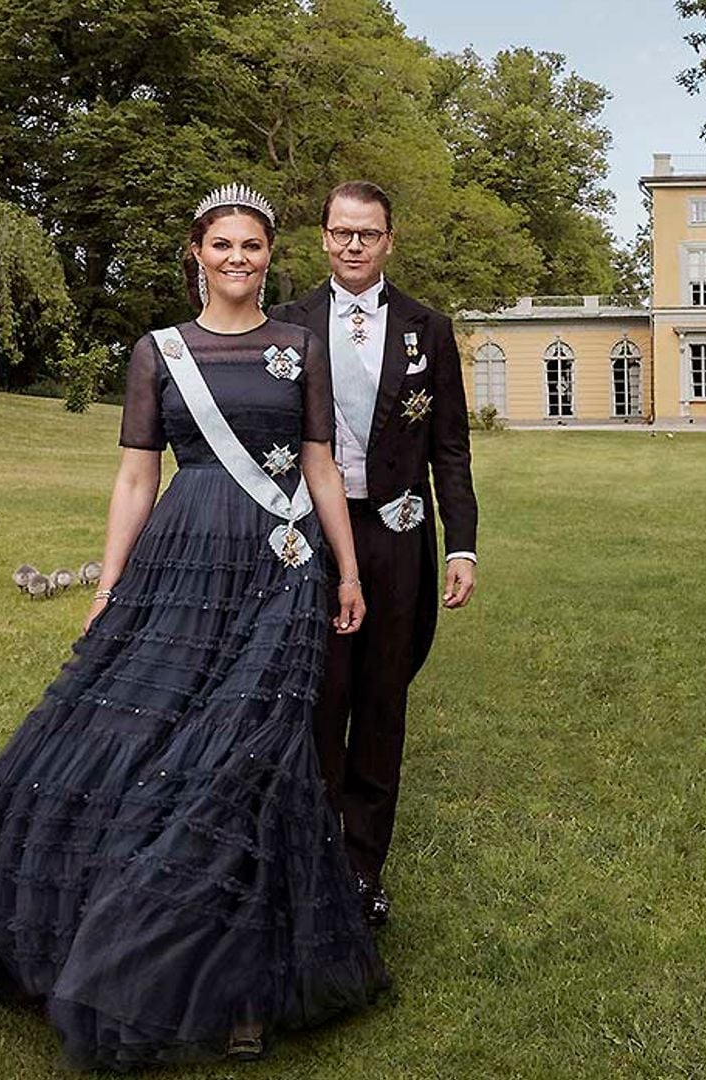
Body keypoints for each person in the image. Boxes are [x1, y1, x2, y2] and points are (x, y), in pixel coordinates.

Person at [0, 183, 387, 1069]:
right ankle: (103, 933)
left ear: (270, 257)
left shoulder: (300, 348)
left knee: (252, 755)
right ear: (196, 252)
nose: (237, 260)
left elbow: (320, 465)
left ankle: (241, 985)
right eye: (222, 245)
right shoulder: (158, 353)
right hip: (180, 563)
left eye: (253, 247)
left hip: (279, 568)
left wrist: (345, 569)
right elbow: (133, 479)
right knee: (139, 737)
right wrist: (111, 581)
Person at [271, 181, 478, 928]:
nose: (353, 245)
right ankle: (315, 855)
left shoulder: (431, 327)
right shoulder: (285, 323)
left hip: (399, 538)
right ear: (323, 238)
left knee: (383, 705)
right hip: (314, 538)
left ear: (390, 240)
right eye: (340, 232)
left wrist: (464, 547)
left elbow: (450, 447)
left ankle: (364, 872)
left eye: (368, 233)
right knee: (319, 700)